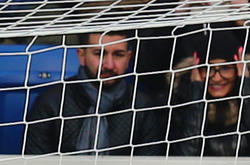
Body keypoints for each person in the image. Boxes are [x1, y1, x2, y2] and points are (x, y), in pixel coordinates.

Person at [24, 31, 163, 156]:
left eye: (118, 55)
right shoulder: (52, 102)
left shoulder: (142, 106)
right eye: (99, 54)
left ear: (128, 58)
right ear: (81, 56)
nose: (109, 65)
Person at [166, 30, 250, 158]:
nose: (217, 78)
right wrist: (197, 95)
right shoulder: (181, 98)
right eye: (208, 68)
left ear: (238, 69)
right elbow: (186, 154)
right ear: (196, 71)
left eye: (225, 68)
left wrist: (246, 88)